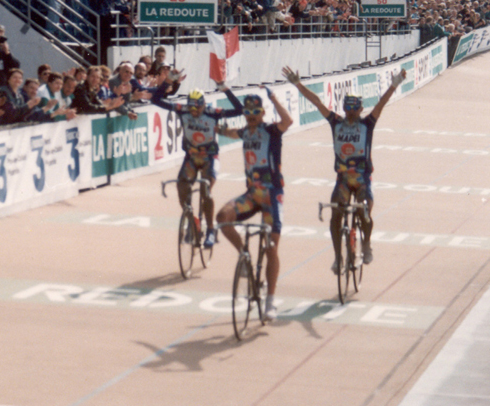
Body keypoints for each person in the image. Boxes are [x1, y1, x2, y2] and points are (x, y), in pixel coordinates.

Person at [282, 65, 406, 274]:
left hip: (363, 179)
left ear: (360, 109)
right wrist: (297, 84)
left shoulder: (368, 124)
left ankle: (366, 244)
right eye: (347, 109)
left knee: (364, 209)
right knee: (336, 216)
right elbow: (317, 102)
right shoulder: (336, 122)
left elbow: (382, 103)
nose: (349, 113)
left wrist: (394, 84)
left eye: (353, 109)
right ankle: (338, 257)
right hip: (343, 180)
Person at [216, 89, 293, 321]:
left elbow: (288, 121)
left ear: (262, 113)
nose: (250, 116)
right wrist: (219, 129)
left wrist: (274, 100)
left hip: (272, 196)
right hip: (251, 195)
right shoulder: (245, 132)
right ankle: (244, 254)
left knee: (271, 247)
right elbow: (231, 133)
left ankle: (270, 300)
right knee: (222, 217)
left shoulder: (270, 130)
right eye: (247, 112)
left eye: (255, 112)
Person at [152, 72, 244, 249]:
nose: (194, 112)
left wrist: (225, 89)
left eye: (198, 108)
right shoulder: (182, 110)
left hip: (210, 157)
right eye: (192, 108)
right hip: (191, 157)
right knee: (181, 188)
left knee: (205, 191)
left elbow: (240, 110)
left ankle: (210, 229)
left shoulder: (213, 112)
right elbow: (155, 101)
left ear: (204, 105)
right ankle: (192, 220)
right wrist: (168, 81)